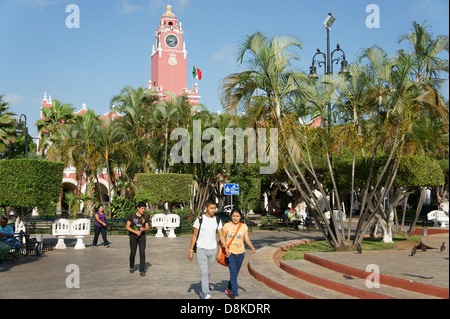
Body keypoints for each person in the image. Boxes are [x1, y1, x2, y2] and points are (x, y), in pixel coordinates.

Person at [188, 200, 228, 299]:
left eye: (215, 208)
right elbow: (194, 236)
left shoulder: (217, 220)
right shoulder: (200, 219)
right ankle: (206, 293)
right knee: (204, 272)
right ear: (206, 208)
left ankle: (203, 291)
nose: (214, 210)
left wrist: (225, 247)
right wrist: (190, 251)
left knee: (208, 272)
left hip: (212, 249)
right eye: (211, 208)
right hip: (201, 248)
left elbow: (221, 236)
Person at [222, 208, 256, 299]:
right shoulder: (226, 226)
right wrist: (223, 250)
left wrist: (252, 247)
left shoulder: (244, 226)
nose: (235, 218)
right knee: (233, 272)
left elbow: (247, 239)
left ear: (240, 216)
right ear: (231, 216)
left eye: (237, 216)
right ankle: (235, 295)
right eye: (233, 216)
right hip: (230, 253)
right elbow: (222, 239)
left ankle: (229, 288)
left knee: (235, 273)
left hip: (241, 253)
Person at [125, 202, 150, 276]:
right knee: (133, 253)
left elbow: (147, 228)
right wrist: (135, 232)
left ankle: (142, 270)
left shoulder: (145, 217)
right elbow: (127, 227)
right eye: (142, 208)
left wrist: (144, 229)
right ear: (138, 208)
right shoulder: (131, 216)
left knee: (142, 253)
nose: (143, 210)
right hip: (133, 237)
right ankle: (131, 266)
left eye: (144, 208)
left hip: (142, 237)